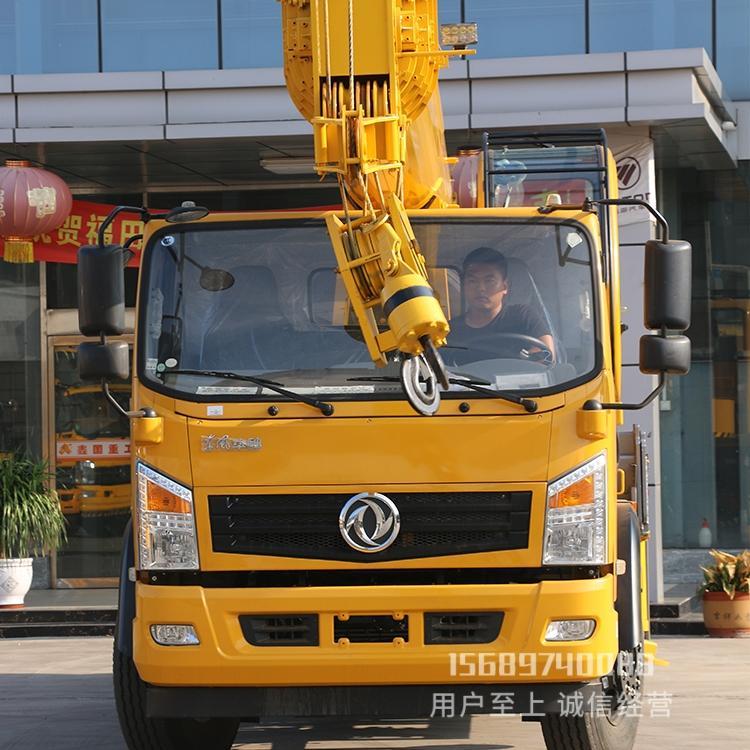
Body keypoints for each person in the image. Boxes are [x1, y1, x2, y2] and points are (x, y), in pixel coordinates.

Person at [448, 246, 555, 361]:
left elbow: (547, 356)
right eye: (472, 281)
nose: (481, 288)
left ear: (504, 287)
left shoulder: (524, 317)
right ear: (464, 286)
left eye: (489, 281)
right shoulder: (450, 331)